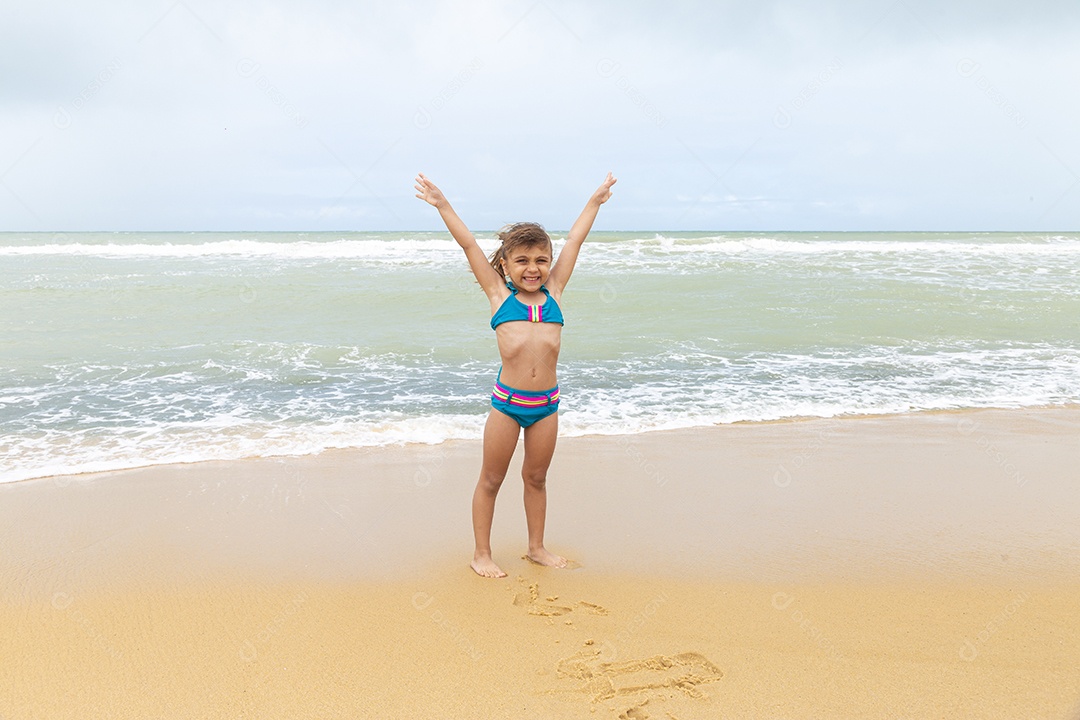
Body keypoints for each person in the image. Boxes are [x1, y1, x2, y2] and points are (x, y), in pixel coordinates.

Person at [414, 172, 617, 578]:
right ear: (505, 265)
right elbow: (468, 243)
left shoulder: (555, 291)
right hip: (507, 406)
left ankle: (536, 548)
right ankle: (481, 553)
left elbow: (575, 241)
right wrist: (442, 204)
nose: (533, 268)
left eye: (541, 260)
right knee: (491, 479)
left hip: (547, 405)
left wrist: (593, 203)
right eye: (522, 260)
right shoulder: (498, 295)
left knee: (536, 478)